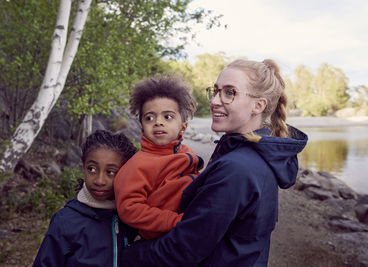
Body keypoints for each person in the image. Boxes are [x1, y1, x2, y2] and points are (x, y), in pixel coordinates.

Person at [121, 59, 308, 266]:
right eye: (216, 91)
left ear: (258, 105)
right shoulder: (255, 154)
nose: (215, 101)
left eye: (229, 93)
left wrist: (121, 256)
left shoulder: (237, 168)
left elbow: (184, 248)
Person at [114, 74, 203, 240]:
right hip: (160, 238)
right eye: (150, 117)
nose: (158, 122)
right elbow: (129, 208)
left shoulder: (186, 153)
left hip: (187, 228)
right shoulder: (138, 165)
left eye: (167, 116)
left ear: (183, 127)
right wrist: (173, 221)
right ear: (142, 127)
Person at [33, 130, 138, 267]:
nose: (100, 180)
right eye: (92, 169)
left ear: (126, 173)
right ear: (83, 167)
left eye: (111, 172)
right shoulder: (65, 221)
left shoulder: (134, 218)